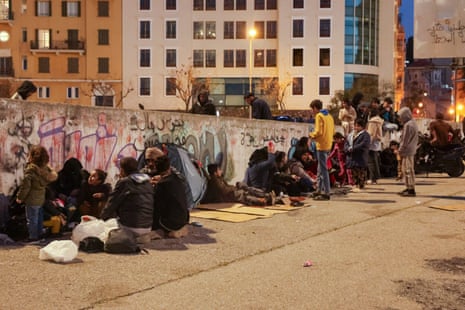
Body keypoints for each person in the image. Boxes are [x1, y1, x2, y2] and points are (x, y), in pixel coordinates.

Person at [101, 157, 154, 242]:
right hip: (147, 227)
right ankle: (140, 236)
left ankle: (129, 236)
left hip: (130, 226)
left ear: (122, 169)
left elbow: (111, 204)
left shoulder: (124, 182)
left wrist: (100, 220)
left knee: (107, 226)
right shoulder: (147, 182)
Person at [15, 145, 58, 243]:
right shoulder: (45, 170)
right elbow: (53, 175)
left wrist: (20, 197)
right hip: (40, 198)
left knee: (31, 219)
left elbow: (25, 187)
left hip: (31, 199)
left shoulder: (30, 170)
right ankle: (40, 235)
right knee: (39, 217)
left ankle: (33, 237)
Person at [149, 149, 190, 238]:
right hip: (184, 219)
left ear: (156, 167)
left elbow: (157, 208)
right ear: (168, 167)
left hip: (170, 223)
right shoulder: (177, 179)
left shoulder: (161, 185)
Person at [202, 164, 274, 206]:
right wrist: (234, 188)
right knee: (243, 195)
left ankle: (266, 197)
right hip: (225, 198)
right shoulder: (214, 180)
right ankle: (263, 200)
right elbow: (224, 190)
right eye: (219, 170)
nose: (221, 171)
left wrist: (234, 187)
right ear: (215, 172)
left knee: (246, 190)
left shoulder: (218, 179)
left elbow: (226, 187)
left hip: (227, 195)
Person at [308, 99, 334, 201]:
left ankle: (327, 192)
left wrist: (311, 135)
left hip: (321, 145)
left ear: (315, 108)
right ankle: (318, 189)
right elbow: (333, 131)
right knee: (320, 168)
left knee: (323, 170)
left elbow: (318, 131)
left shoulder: (319, 116)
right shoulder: (329, 116)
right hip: (328, 144)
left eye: (312, 109)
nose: (312, 111)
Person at [397, 107, 418, 197]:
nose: (400, 119)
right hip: (411, 149)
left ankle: (411, 189)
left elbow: (405, 140)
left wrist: (400, 149)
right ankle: (408, 187)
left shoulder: (408, 125)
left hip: (407, 150)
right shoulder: (413, 123)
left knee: (408, 170)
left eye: (401, 116)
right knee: (407, 170)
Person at [345, 118, 370, 191]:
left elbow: (363, 144)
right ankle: (355, 184)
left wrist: (353, 148)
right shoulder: (351, 134)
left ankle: (361, 185)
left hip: (360, 156)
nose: (356, 127)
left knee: (360, 172)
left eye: (358, 126)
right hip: (352, 156)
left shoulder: (365, 135)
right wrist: (347, 148)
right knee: (353, 171)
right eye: (355, 125)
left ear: (362, 127)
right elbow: (346, 143)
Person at [366, 108, 384, 184]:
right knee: (375, 160)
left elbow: (371, 134)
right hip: (377, 142)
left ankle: (372, 178)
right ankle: (375, 177)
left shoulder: (373, 122)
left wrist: (368, 143)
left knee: (371, 161)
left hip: (372, 142)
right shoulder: (378, 121)